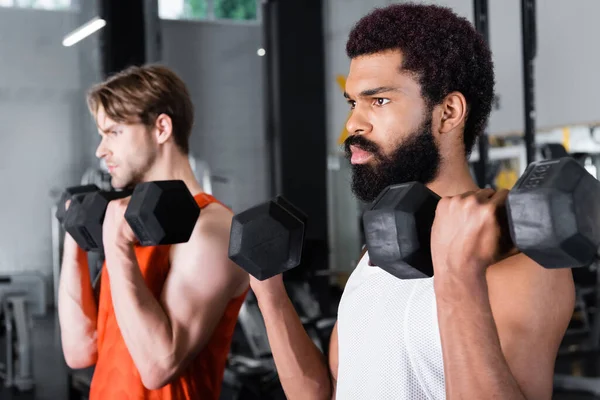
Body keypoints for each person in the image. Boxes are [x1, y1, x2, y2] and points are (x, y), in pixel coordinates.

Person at [249, 4, 575, 399]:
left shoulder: (521, 258)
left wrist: (458, 277)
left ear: (448, 112)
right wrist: (270, 295)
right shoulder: (379, 251)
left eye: (379, 101)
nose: (353, 124)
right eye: (354, 102)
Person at [57, 65, 249, 400]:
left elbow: (158, 367)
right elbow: (79, 351)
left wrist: (116, 246)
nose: (100, 151)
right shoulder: (132, 226)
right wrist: (74, 239)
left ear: (161, 128)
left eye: (113, 132)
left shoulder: (212, 230)